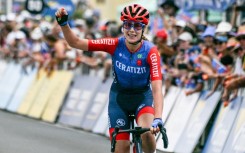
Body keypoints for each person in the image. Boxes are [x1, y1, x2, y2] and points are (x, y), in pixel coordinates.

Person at [55, 4, 165, 153]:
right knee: (122, 149)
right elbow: (76, 43)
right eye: (128, 25)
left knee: (147, 135)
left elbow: (157, 88)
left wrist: (158, 117)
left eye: (137, 26)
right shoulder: (114, 44)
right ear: (123, 27)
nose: (132, 30)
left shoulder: (150, 51)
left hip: (142, 98)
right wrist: (64, 24)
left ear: (143, 28)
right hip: (119, 99)